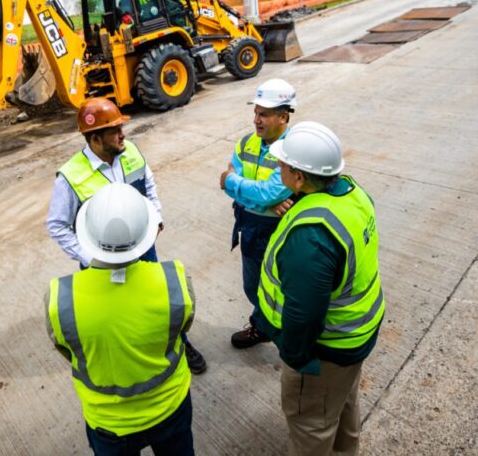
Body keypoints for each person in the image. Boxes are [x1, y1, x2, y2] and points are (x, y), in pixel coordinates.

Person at [47, 97, 207, 374]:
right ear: (95, 138)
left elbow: (149, 185)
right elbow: (57, 225)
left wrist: (156, 218)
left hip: (144, 249)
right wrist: (89, 257)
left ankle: (179, 343)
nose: (123, 134)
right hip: (100, 260)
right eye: (115, 130)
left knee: (157, 301)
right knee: (116, 312)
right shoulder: (70, 177)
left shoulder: (130, 152)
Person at [256, 122, 384, 456]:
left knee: (311, 426)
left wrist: (297, 359)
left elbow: (304, 314)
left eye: (282, 165)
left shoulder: (311, 236)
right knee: (342, 406)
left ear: (299, 177)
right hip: (355, 336)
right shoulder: (353, 193)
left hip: (325, 351)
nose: (278, 168)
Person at [46, 183, 196, 455]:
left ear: (85, 233)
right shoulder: (174, 280)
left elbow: (69, 350)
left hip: (109, 423)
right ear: (147, 232)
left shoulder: (60, 298)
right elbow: (181, 328)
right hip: (171, 407)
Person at [219, 78, 296, 349]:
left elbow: (266, 190)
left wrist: (235, 184)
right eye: (255, 112)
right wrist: (265, 200)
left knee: (283, 289)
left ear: (283, 116)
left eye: (264, 114)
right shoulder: (246, 143)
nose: (256, 119)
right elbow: (262, 192)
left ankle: (289, 336)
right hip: (250, 226)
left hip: (279, 231)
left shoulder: (293, 148)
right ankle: (262, 326)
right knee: (253, 286)